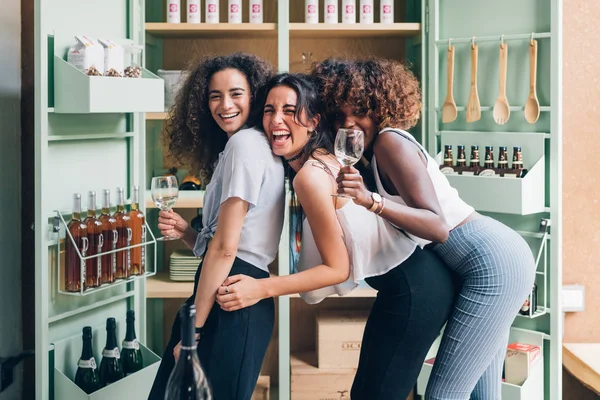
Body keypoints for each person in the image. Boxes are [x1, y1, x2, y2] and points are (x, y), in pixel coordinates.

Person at [215, 73, 456, 399]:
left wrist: (261, 288)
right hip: (412, 286)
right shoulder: (320, 161)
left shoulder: (311, 177)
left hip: (416, 291)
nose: (276, 120)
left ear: (314, 121)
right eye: (269, 111)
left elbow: (337, 269)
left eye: (290, 110)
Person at [313, 57, 537, 399]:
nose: (349, 122)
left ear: (379, 106)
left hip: (493, 266)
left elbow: (438, 227)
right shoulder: (371, 153)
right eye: (339, 115)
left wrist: (371, 200)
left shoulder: (390, 142)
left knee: (443, 395)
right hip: (483, 264)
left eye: (358, 110)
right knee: (482, 395)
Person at [148, 53, 284, 400]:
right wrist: (187, 232)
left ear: (254, 95)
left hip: (230, 297)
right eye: (215, 95)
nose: (225, 104)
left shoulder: (244, 145)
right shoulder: (245, 144)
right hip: (229, 291)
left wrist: (191, 335)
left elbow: (226, 250)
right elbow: (229, 238)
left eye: (236, 93)